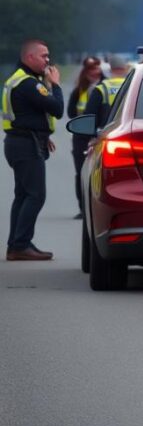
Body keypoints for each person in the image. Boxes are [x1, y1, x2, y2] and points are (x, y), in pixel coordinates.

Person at [2, 39, 63, 261]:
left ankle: (16, 244)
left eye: (48, 56)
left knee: (23, 195)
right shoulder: (29, 83)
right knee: (36, 195)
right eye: (43, 56)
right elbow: (56, 109)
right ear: (29, 58)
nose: (48, 60)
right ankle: (20, 244)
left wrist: (42, 135)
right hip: (25, 145)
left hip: (21, 141)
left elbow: (29, 114)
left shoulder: (19, 80)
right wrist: (55, 85)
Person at [67, 56, 102, 220]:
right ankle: (83, 208)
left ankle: (98, 208)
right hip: (81, 136)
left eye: (96, 68)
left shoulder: (104, 87)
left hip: (99, 135)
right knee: (81, 173)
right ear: (85, 71)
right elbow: (70, 113)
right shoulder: (79, 90)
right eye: (90, 69)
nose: (93, 72)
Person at [84, 56, 130, 130]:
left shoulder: (101, 88)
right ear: (125, 69)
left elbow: (89, 119)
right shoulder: (133, 86)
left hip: (106, 134)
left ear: (110, 69)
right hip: (128, 132)